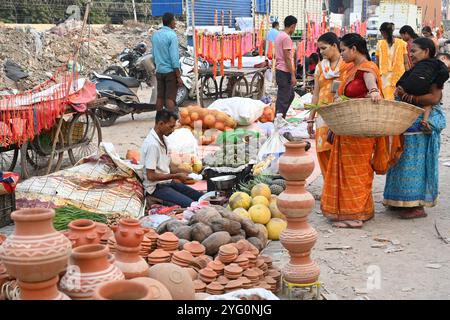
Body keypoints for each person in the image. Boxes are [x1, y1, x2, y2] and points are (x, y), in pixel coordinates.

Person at [320, 33, 394, 228]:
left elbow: (372, 87)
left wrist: (375, 93)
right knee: (347, 172)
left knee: (357, 172)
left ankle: (355, 215)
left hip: (360, 132)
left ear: (354, 49)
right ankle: (355, 211)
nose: (341, 53)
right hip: (348, 130)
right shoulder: (352, 68)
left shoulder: (368, 69)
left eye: (343, 50)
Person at [383, 38, 449, 219]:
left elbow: (434, 98)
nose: (410, 55)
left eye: (414, 51)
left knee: (415, 164)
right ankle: (398, 201)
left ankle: (416, 205)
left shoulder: (434, 71)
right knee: (400, 161)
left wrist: (408, 98)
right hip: (406, 123)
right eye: (410, 52)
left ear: (426, 51)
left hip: (421, 127)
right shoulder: (416, 71)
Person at [307, 32, 351, 176]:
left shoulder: (347, 65)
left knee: (340, 152)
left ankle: (340, 188)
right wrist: (310, 119)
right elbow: (316, 94)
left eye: (323, 48)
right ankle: (328, 187)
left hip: (341, 116)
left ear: (334, 46)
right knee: (323, 151)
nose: (321, 52)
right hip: (322, 116)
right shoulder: (320, 67)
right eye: (319, 49)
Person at [141, 109, 203, 208]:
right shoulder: (152, 145)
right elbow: (151, 176)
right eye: (171, 126)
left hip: (168, 183)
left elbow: (167, 166)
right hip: (156, 188)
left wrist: (186, 172)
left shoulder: (164, 139)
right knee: (192, 205)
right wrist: (176, 175)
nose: (173, 130)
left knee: (201, 197)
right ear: (160, 124)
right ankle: (154, 199)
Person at [151, 12, 183, 112]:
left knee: (160, 97)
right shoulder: (172, 35)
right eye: (174, 20)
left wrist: (158, 66)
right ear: (170, 22)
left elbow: (154, 55)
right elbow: (174, 58)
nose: (175, 23)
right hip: (170, 72)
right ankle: (171, 121)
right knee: (170, 98)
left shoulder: (155, 35)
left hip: (159, 71)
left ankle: (159, 120)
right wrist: (178, 76)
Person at [376, 22, 409, 99]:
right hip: (400, 77)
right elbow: (406, 63)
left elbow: (377, 63)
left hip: (384, 78)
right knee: (397, 100)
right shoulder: (402, 43)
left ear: (382, 32)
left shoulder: (379, 44)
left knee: (386, 100)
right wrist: (408, 76)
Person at [275, 15, 298, 118]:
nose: (294, 29)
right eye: (295, 27)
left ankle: (280, 117)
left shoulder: (279, 35)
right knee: (283, 98)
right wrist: (292, 75)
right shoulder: (286, 38)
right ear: (292, 26)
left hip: (280, 70)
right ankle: (278, 120)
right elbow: (287, 58)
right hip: (284, 71)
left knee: (289, 95)